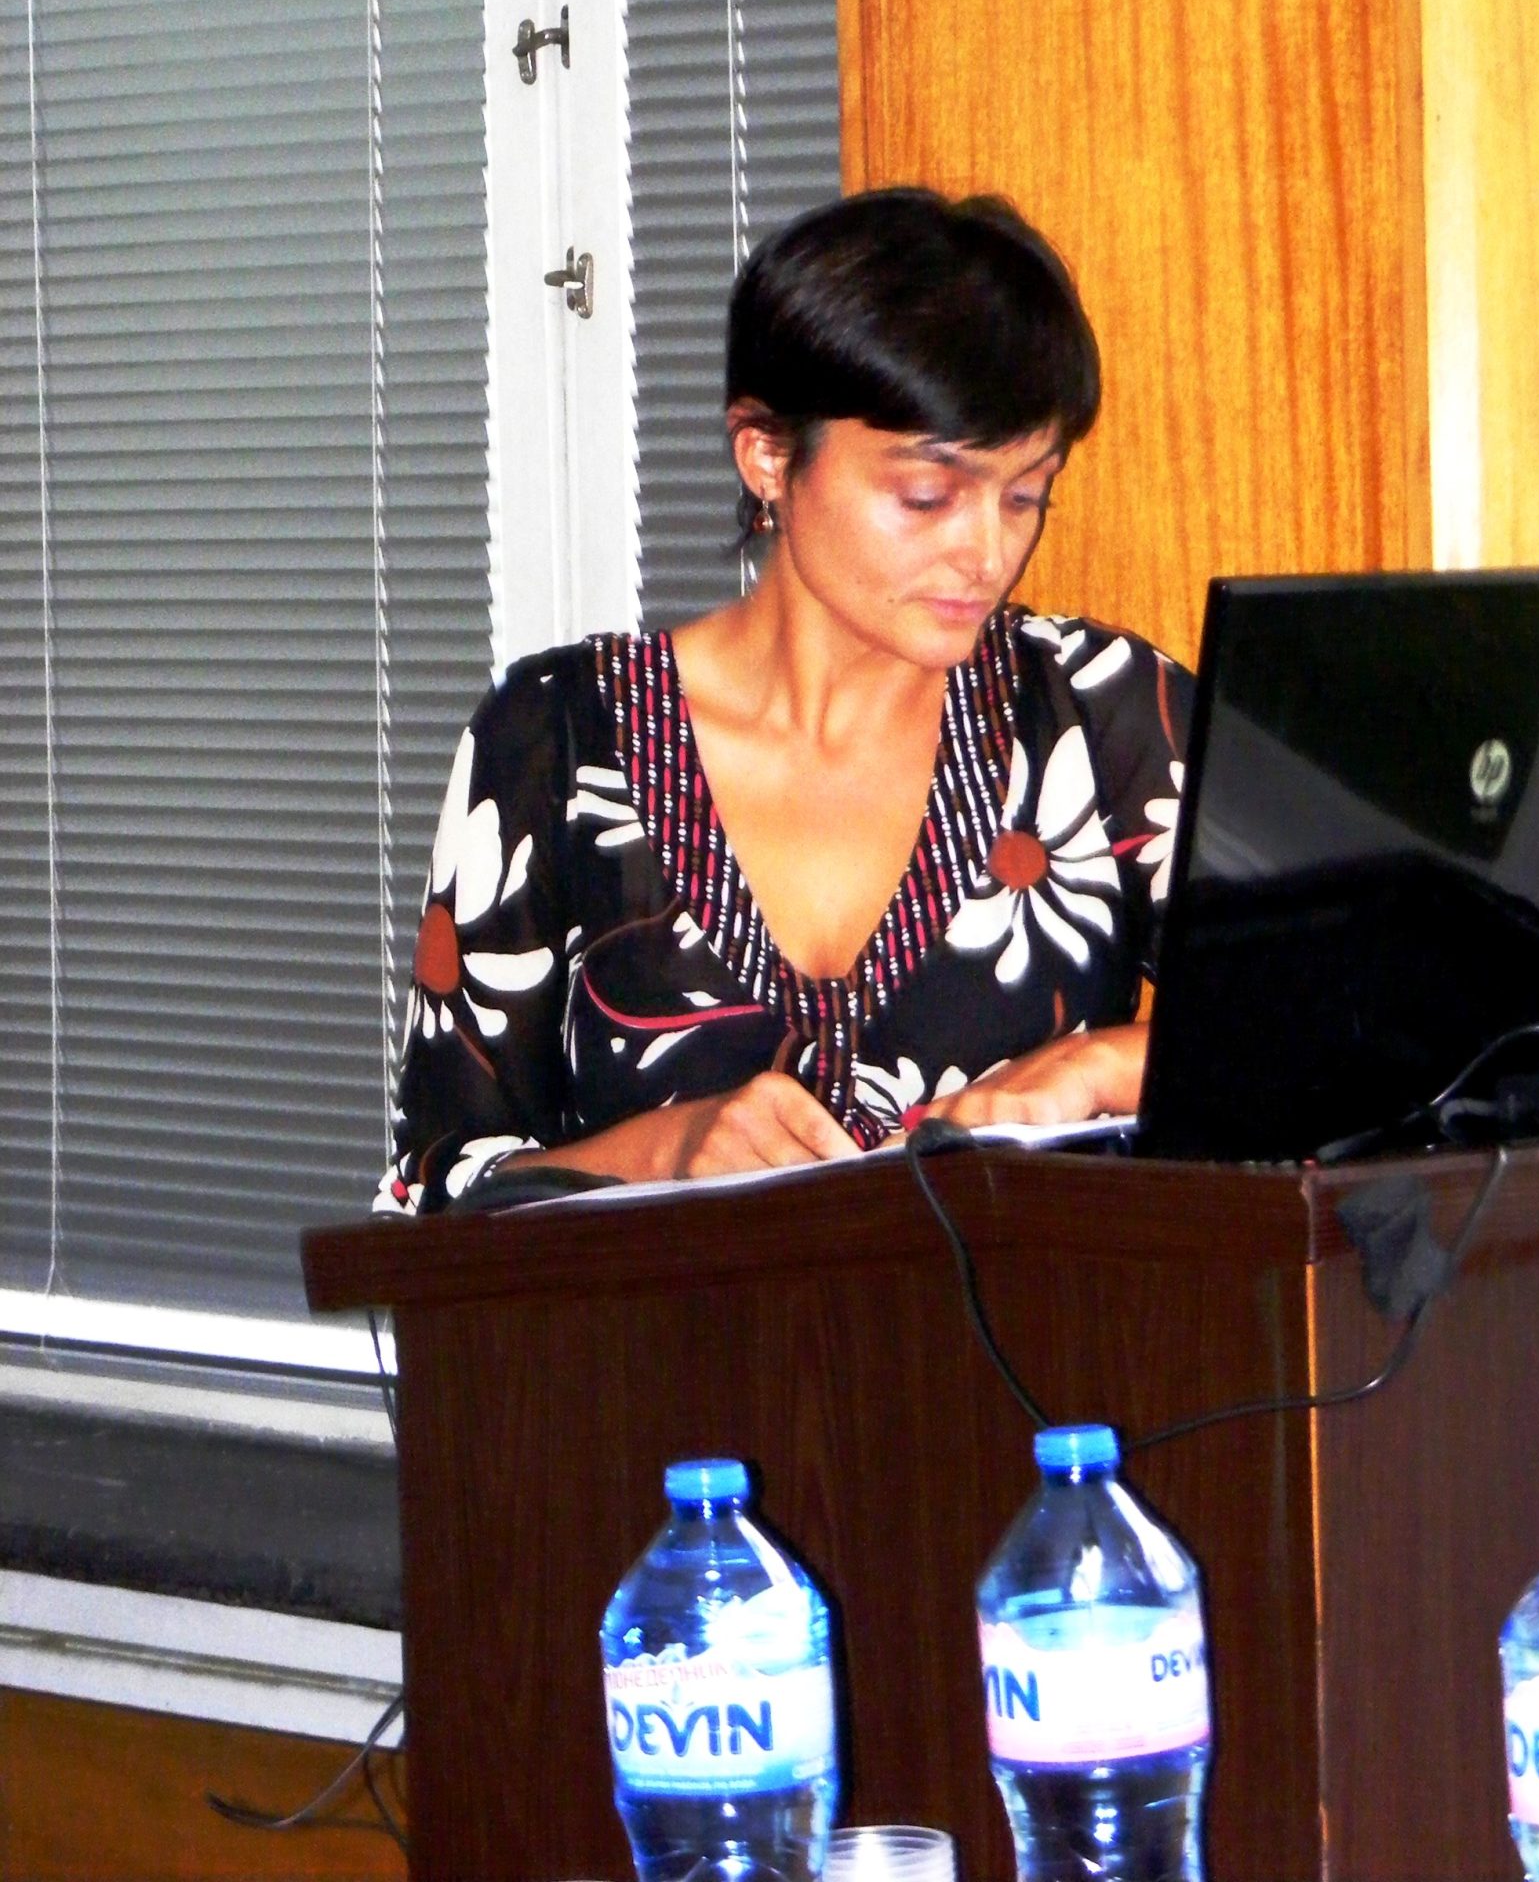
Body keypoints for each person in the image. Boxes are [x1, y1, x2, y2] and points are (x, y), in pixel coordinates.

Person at [378, 188, 1191, 1211]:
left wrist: (1103, 1066)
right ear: (767, 454)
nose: (988, 552)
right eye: (928, 496)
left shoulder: (1097, 712)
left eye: (1026, 494)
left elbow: (1352, 1039)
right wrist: (670, 1148)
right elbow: (434, 1193)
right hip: (664, 1325)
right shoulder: (558, 738)